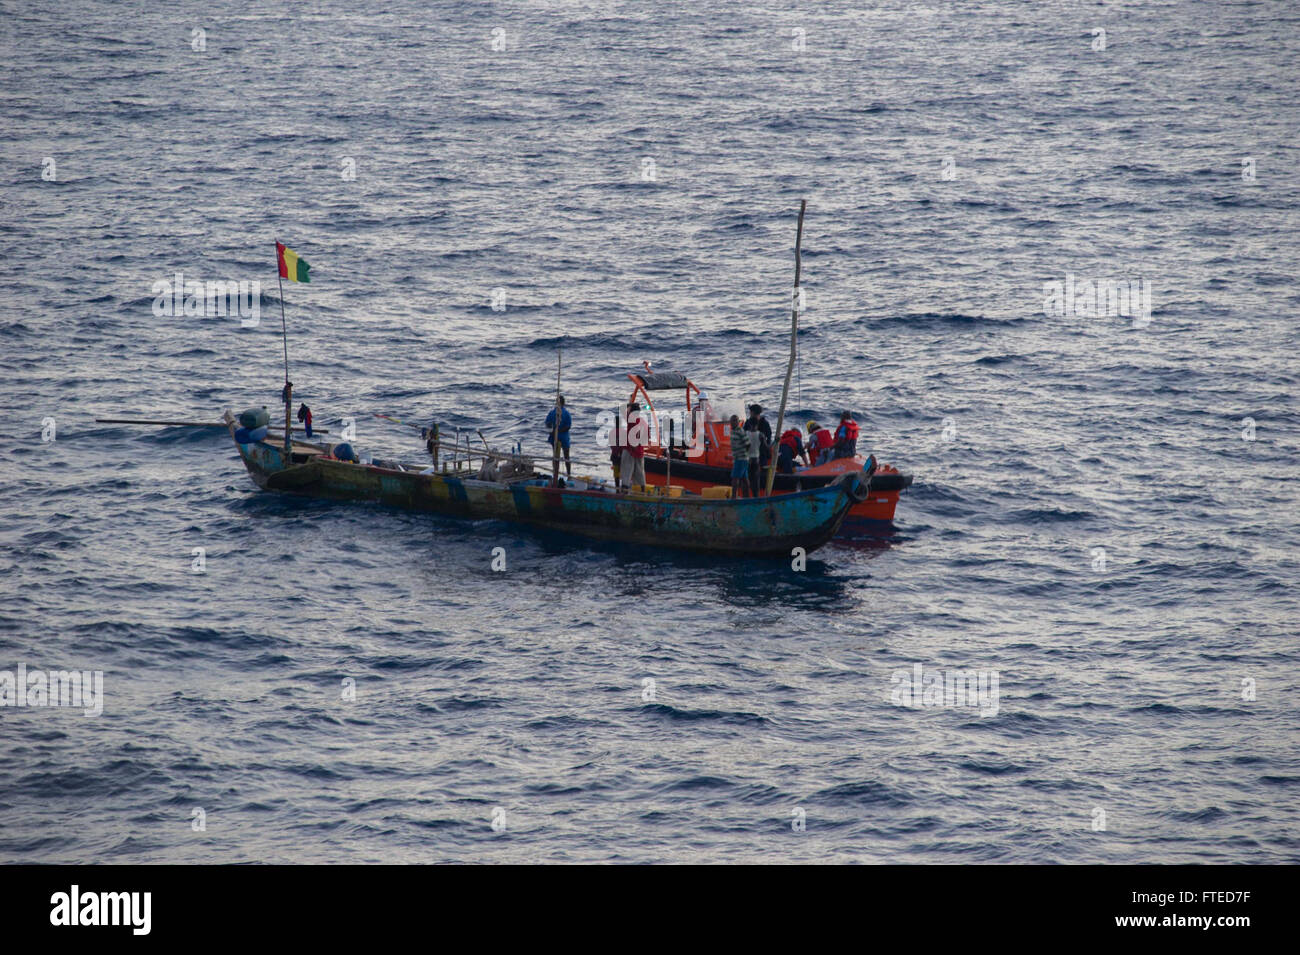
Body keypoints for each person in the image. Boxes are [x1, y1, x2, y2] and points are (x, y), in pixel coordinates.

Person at [744, 403, 772, 497]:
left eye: (751, 412)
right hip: (753, 453)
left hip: (759, 453)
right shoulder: (749, 423)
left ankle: (758, 493)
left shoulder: (763, 424)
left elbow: (768, 438)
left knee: (756, 475)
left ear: (753, 413)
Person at [621, 401, 648, 489]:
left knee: (626, 471)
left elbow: (623, 410)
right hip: (639, 450)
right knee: (640, 472)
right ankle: (641, 489)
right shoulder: (643, 422)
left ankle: (625, 489)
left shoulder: (631, 420)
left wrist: (629, 404)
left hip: (630, 449)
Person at [544, 396, 572, 478]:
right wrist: (558, 431)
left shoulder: (551, 413)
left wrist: (553, 432)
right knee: (566, 456)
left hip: (554, 437)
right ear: (564, 403)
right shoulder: (566, 413)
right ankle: (569, 474)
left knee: (555, 456)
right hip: (563, 437)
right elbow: (568, 426)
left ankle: (555, 474)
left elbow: (547, 424)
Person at [729, 414, 750, 498]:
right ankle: (746, 497)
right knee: (744, 479)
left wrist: (743, 454)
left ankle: (734, 497)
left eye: (735, 420)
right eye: (732, 420)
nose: (733, 422)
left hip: (740, 458)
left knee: (735, 478)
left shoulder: (740, 431)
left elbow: (748, 444)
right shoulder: (733, 431)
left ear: (738, 422)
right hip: (739, 458)